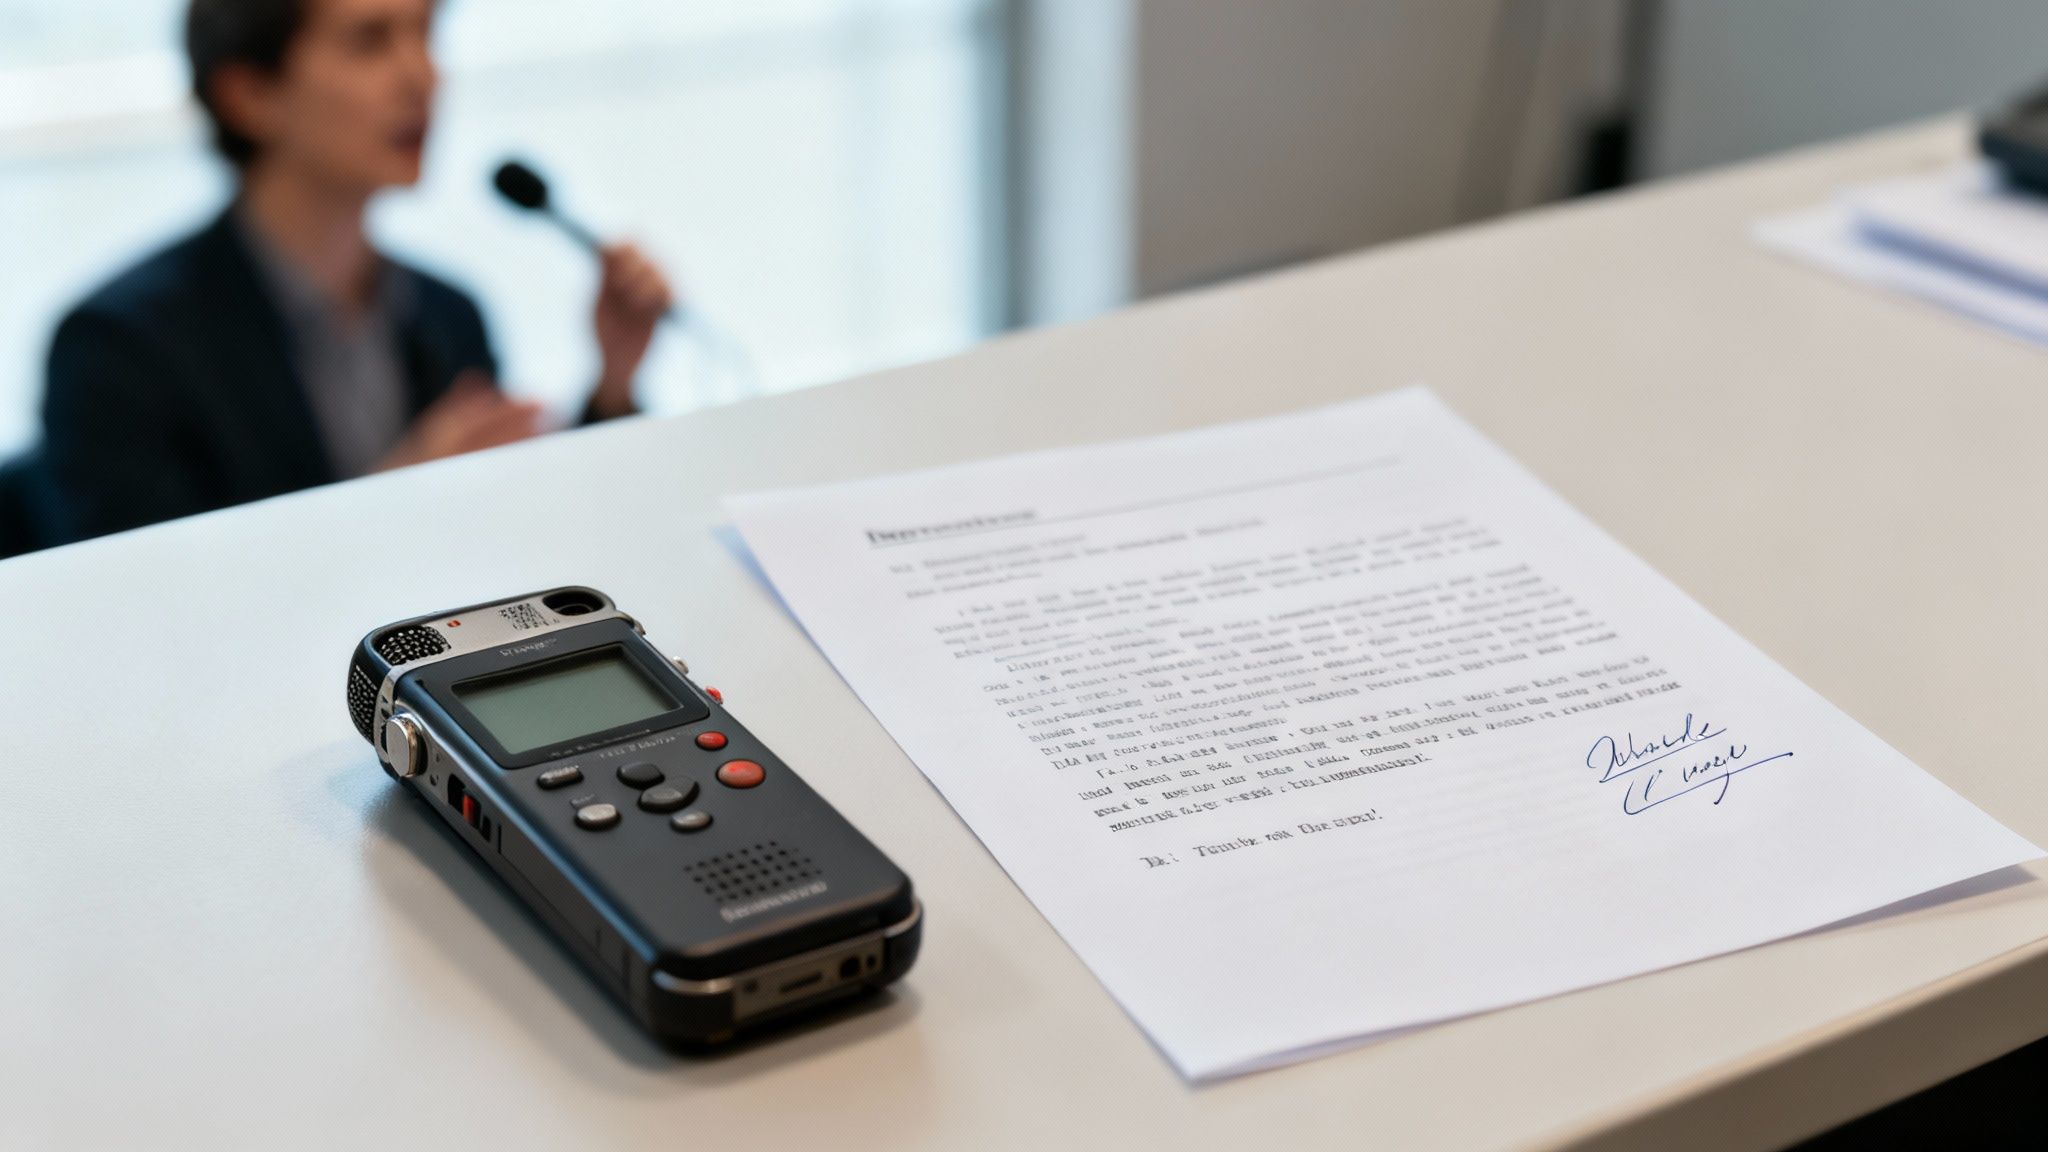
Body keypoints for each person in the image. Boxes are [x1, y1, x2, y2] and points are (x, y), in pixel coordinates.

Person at [36, 0, 673, 544]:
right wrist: (394, 500)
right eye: (370, 42)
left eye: (425, 34)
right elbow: (144, 603)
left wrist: (613, 385)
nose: (421, 75)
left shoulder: (450, 313)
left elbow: (519, 545)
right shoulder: (117, 349)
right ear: (249, 95)